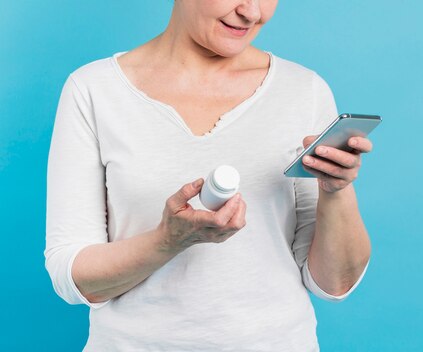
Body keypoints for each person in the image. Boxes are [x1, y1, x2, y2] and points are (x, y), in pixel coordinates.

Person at [45, 0, 373, 350]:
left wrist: (336, 190)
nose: (252, 12)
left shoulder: (304, 90)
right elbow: (74, 278)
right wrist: (168, 240)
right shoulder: (94, 89)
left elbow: (334, 284)